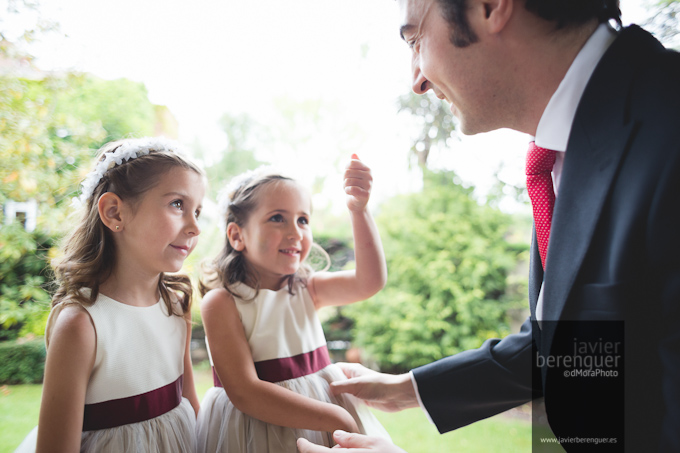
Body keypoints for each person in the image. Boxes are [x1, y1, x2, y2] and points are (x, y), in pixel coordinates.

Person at [297, 0, 680, 451]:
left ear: (492, 6)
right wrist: (406, 390)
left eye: (415, 39)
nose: (416, 79)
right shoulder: (567, 152)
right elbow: (565, 342)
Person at [15, 137, 205, 452]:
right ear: (115, 213)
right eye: (177, 204)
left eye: (197, 210)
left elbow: (190, 403)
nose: (195, 227)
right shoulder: (82, 324)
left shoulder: (176, 304)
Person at [195, 156, 391, 452]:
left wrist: (359, 210)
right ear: (237, 235)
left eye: (303, 219)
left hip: (324, 409)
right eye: (277, 218)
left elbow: (370, 281)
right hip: (258, 429)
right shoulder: (222, 303)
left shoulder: (307, 288)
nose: (296, 231)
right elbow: (246, 392)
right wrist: (336, 416)